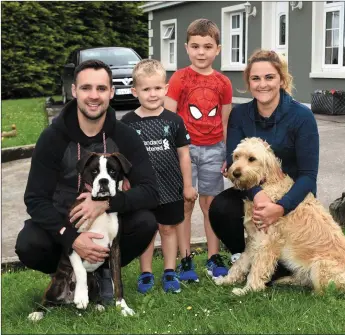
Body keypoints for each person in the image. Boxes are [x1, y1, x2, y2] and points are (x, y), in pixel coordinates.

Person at [15, 59, 159, 303]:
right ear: (74, 91)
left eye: (101, 89)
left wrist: (105, 203)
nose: (94, 96)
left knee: (146, 222)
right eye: (86, 88)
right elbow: (35, 199)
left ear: (111, 93)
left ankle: (104, 271)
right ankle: (65, 272)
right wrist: (71, 238)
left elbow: (150, 191)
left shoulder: (125, 136)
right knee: (29, 243)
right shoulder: (52, 138)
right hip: (64, 224)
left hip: (107, 224)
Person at [209, 49, 319, 281]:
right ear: (248, 82)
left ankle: (282, 261)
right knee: (221, 208)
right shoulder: (240, 115)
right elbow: (233, 162)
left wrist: (281, 207)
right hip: (254, 190)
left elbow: (308, 176)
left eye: (269, 77)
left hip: (294, 196)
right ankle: (257, 258)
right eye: (255, 78)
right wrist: (257, 194)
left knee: (280, 222)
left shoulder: (302, 117)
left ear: (282, 79)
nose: (263, 84)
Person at [164, 18, 233, 282]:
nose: (201, 52)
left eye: (207, 46)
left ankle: (213, 257)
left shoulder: (223, 82)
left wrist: (227, 154)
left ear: (218, 49)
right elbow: (169, 118)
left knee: (210, 204)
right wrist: (172, 153)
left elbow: (225, 120)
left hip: (214, 149)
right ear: (186, 48)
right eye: (195, 46)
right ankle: (184, 258)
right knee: (185, 203)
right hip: (185, 150)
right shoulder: (179, 78)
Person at [122, 59, 198, 293]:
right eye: (146, 89)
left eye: (157, 88)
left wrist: (187, 186)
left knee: (168, 229)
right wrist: (124, 183)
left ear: (165, 88)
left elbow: (184, 156)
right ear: (135, 91)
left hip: (171, 187)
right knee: (146, 230)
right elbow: (121, 159)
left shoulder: (174, 121)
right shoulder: (127, 123)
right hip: (141, 190)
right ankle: (145, 273)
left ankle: (169, 271)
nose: (152, 94)